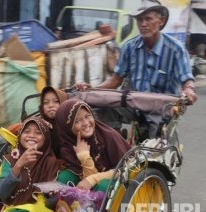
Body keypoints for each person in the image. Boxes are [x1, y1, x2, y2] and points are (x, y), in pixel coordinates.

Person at [74, 0, 196, 136]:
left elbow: (186, 79)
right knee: (103, 109)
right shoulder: (129, 47)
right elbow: (115, 81)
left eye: (148, 19)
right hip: (134, 106)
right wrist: (90, 91)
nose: (143, 24)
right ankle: (115, 143)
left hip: (162, 110)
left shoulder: (175, 49)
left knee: (153, 147)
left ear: (161, 21)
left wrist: (189, 90)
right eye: (139, 20)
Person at [55, 99, 131, 192]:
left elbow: (125, 168)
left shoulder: (108, 136)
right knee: (64, 177)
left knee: (102, 186)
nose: (86, 123)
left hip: (119, 179)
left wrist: (92, 177)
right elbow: (85, 181)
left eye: (87, 116)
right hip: (87, 186)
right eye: (77, 121)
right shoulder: (67, 146)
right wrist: (84, 157)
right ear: (66, 127)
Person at [39, 86, 68, 157]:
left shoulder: (71, 125)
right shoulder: (39, 125)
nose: (50, 105)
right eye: (46, 102)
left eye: (56, 101)